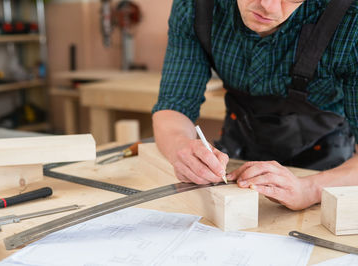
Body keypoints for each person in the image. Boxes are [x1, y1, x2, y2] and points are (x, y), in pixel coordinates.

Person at [152, 0, 358, 210]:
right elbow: (174, 106)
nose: (268, 6)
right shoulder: (197, 6)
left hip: (327, 172)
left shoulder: (351, 18)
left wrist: (309, 190)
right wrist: (180, 147)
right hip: (236, 157)